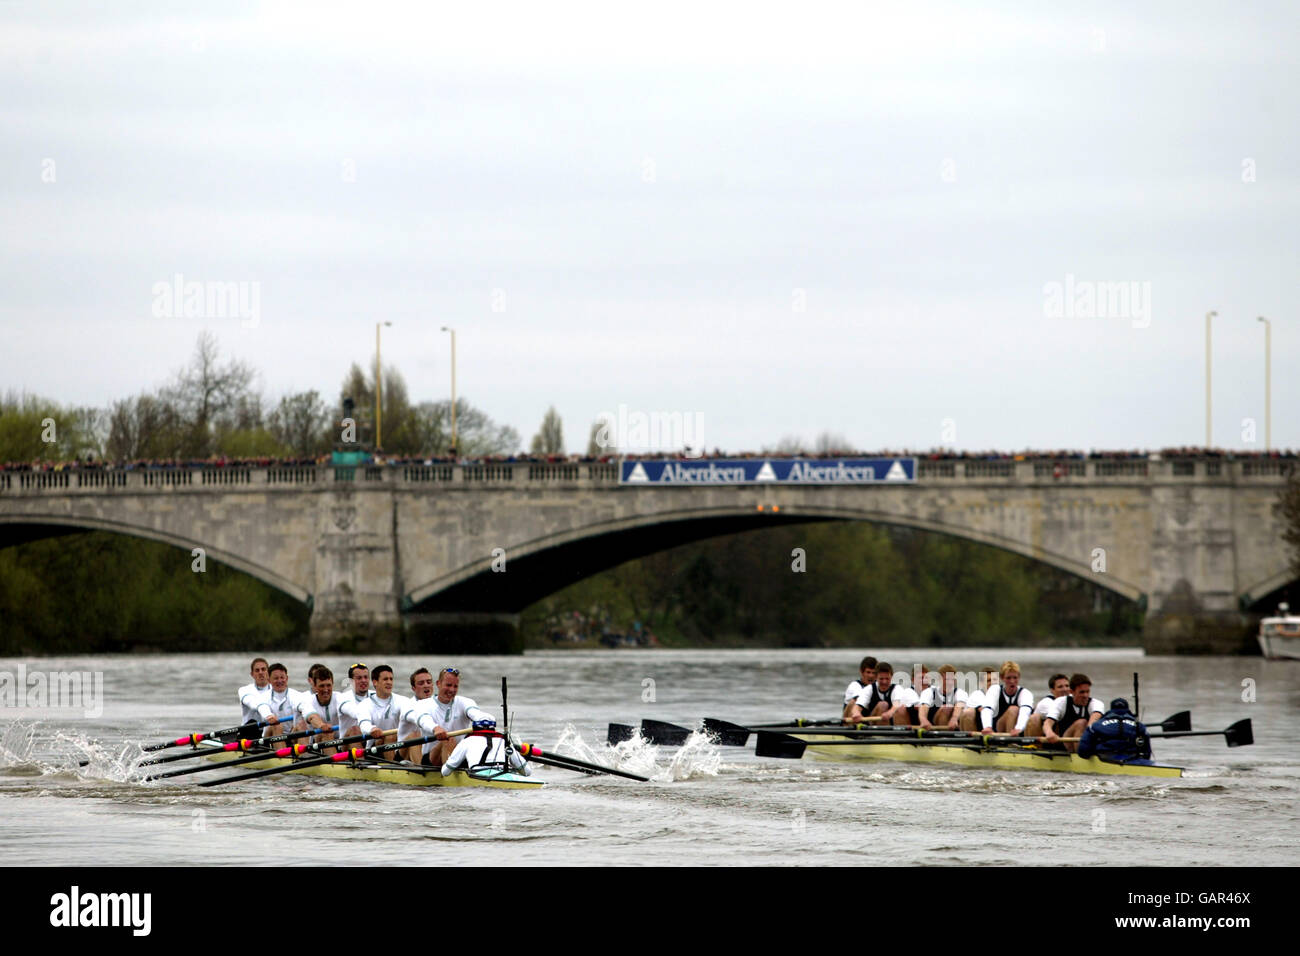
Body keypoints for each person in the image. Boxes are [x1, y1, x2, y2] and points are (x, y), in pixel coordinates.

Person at [403, 667, 491, 768]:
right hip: (431, 759)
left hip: (460, 754)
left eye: (455, 686)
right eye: (448, 685)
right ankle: (452, 776)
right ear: (438, 684)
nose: (452, 690)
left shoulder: (465, 702)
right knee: (447, 740)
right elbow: (424, 720)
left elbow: (476, 713)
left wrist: (484, 720)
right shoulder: (422, 704)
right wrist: (435, 728)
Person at [355, 665, 411, 759]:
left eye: (391, 679)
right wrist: (372, 729)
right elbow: (364, 724)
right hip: (375, 748)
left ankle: (420, 765)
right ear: (375, 682)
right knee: (390, 736)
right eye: (385, 679)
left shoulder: (403, 701)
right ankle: (395, 769)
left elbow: (412, 715)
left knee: (413, 735)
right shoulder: (364, 705)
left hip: (399, 744)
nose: (389, 682)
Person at [440, 719, 529, 777]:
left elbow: (445, 772)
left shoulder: (467, 741)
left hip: (478, 779)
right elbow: (527, 772)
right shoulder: (504, 741)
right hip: (506, 776)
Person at [1076, 698, 1153, 765]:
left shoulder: (1096, 726)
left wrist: (1092, 757)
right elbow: (1147, 753)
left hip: (1105, 758)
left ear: (1111, 710)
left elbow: (1083, 752)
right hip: (1133, 758)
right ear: (1127, 710)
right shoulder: (1140, 726)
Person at [1041, 674, 1104, 751]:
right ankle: (1080, 756)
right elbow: (1048, 723)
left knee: (1086, 725)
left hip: (1086, 740)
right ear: (1071, 692)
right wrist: (1049, 733)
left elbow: (1093, 720)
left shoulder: (1096, 703)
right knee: (1081, 723)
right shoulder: (1061, 702)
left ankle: (1083, 753)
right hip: (1064, 741)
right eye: (1082, 692)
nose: (1085, 695)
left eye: (1087, 692)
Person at [978, 661, 1033, 736]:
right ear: (1002, 678)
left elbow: (1025, 711)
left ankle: (1012, 740)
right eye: (1008, 678)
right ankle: (1010, 742)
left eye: (1015, 678)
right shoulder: (995, 689)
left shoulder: (1025, 693)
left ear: (1019, 677)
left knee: (1015, 710)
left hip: (1017, 730)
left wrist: (1019, 728)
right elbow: (987, 709)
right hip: (998, 727)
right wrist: (987, 727)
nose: (1012, 681)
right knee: (1013, 709)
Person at [297, 667, 344, 751]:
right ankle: (333, 763)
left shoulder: (341, 698)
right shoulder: (307, 700)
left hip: (340, 741)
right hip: (316, 741)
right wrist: (321, 725)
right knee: (326, 733)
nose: (326, 689)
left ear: (332, 684)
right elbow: (312, 716)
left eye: (328, 685)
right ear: (314, 686)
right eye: (322, 686)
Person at [398, 667, 435, 763]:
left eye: (429, 682)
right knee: (415, 735)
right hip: (404, 751)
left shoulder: (439, 703)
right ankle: (421, 769)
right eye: (421, 683)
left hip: (429, 749)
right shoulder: (408, 705)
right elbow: (417, 718)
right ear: (413, 688)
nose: (426, 685)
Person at [916, 664, 968, 730]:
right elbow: (924, 707)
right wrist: (923, 720)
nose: (949, 682)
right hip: (933, 725)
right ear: (939, 679)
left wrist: (954, 718)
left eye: (951, 679)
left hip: (954, 725)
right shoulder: (929, 692)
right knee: (946, 708)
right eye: (946, 679)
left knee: (949, 708)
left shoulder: (960, 692)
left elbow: (959, 706)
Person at [338, 663, 374, 740]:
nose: (363, 680)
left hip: (371, 739)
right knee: (355, 729)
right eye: (359, 678)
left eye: (366, 677)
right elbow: (355, 713)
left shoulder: (375, 695)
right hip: (348, 743)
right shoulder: (343, 698)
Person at [237, 658, 272, 736]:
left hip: (269, 731)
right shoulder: (244, 690)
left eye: (263, 669)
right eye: (257, 670)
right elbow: (253, 704)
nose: (260, 673)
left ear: (268, 672)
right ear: (252, 674)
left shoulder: (276, 690)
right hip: (250, 732)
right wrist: (268, 715)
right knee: (252, 723)